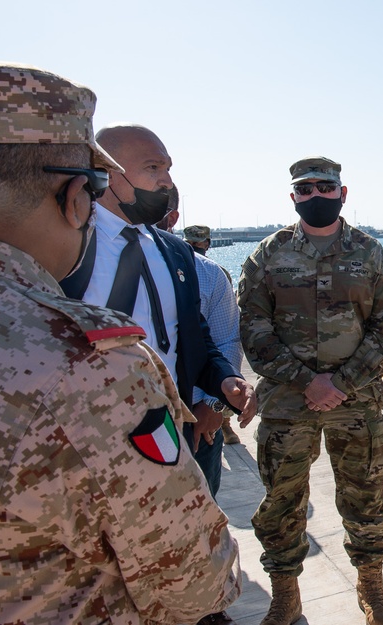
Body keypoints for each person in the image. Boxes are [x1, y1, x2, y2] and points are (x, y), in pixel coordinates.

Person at [0, 59, 241, 623]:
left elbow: (193, 335)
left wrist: (217, 384)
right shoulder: (87, 363)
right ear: (79, 196)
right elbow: (191, 580)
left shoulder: (173, 254)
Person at [239, 156, 383, 625]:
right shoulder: (268, 254)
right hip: (289, 403)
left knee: (365, 495)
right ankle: (285, 593)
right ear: (293, 198)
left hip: (357, 401)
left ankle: (371, 586)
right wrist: (308, 381)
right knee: (281, 500)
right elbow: (253, 327)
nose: (316, 197)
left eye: (324, 188)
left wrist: (341, 382)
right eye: (305, 190)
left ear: (342, 193)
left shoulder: (371, 254)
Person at [59, 123, 257, 502]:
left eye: (168, 169)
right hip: (86, 442)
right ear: (109, 171)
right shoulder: (66, 245)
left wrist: (225, 381)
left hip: (169, 432)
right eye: (153, 168)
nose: (167, 181)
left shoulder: (174, 253)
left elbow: (193, 340)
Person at [184, 221, 244, 446]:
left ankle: (225, 425)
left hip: (208, 389)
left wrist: (212, 405)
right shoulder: (212, 269)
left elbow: (227, 338)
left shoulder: (212, 272)